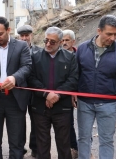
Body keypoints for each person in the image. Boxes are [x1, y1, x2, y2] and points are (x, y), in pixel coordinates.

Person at [76, 15, 116, 159]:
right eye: (109, 34)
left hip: (108, 105)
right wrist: (73, 93)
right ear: (99, 31)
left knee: (107, 141)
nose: (113, 38)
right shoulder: (82, 49)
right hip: (85, 103)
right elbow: (75, 74)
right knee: (84, 139)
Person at [0, 16, 32, 158]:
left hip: (15, 100)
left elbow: (27, 66)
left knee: (16, 142)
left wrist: (15, 78)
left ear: (8, 30)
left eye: (0, 34)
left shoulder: (21, 46)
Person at [28, 27, 78, 159]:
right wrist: (46, 94)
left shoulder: (70, 57)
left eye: (52, 42)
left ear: (61, 42)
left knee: (63, 144)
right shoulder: (35, 56)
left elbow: (73, 80)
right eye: (46, 41)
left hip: (62, 107)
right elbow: (31, 78)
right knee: (42, 145)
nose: (48, 44)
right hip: (40, 107)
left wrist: (57, 95)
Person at [17, 24, 40, 158]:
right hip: (19, 92)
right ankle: (20, 148)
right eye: (22, 36)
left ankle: (35, 148)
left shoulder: (39, 51)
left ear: (31, 36)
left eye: (27, 35)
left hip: (35, 93)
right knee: (19, 123)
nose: (25, 38)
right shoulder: (13, 51)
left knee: (36, 122)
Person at [62, 29, 78, 159]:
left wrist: (75, 93)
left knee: (80, 124)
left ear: (73, 41)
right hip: (63, 96)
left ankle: (77, 149)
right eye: (62, 40)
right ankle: (71, 149)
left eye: (67, 40)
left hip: (78, 95)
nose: (64, 43)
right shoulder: (57, 55)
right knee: (67, 123)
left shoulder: (79, 55)